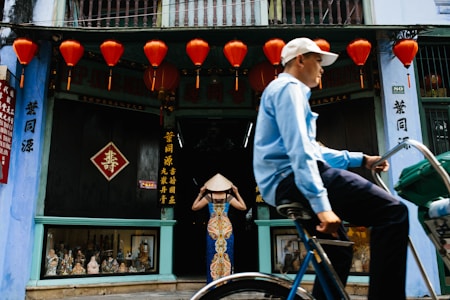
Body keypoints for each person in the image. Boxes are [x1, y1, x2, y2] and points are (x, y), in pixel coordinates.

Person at [253, 37, 409, 299]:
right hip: (292, 178)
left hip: (283, 184)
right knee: (393, 213)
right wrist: (322, 206)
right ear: (300, 60)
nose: (322, 68)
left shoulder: (284, 90)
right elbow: (300, 149)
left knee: (337, 248)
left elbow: (315, 149)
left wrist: (362, 159)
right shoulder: (289, 88)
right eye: (318, 60)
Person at [192, 173, 247, 283]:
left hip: (213, 229)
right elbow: (243, 207)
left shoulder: (209, 197)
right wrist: (237, 193)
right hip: (227, 229)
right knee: (227, 255)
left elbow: (194, 207)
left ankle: (213, 283)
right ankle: (226, 283)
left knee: (212, 255)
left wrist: (200, 193)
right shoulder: (229, 197)